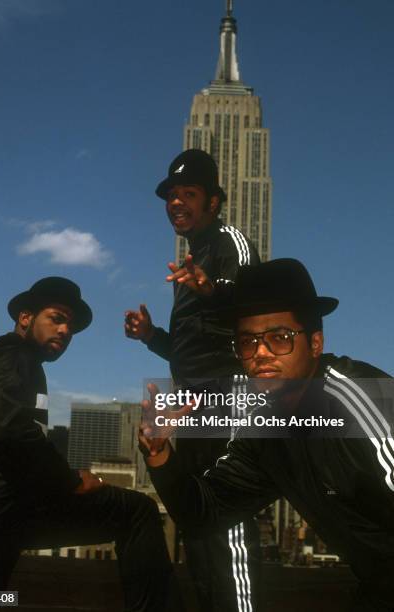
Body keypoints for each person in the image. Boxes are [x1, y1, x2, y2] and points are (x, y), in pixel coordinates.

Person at [140, 258, 394, 612]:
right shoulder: (265, 430)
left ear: (315, 343)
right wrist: (158, 453)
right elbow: (203, 514)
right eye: (247, 342)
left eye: (279, 338)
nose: (260, 353)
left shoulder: (364, 400)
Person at [0, 277, 182, 612]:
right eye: (56, 319)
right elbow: (12, 431)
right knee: (138, 511)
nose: (64, 331)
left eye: (70, 326)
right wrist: (72, 481)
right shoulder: (11, 355)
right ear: (26, 318)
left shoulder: (14, 360)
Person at [125, 149, 262, 612]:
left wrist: (212, 289)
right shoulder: (192, 260)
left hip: (231, 398)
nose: (177, 203)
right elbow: (193, 349)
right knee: (198, 518)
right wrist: (150, 337)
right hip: (194, 403)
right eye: (171, 196)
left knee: (228, 516)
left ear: (213, 202)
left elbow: (252, 300)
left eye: (189, 194)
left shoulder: (230, 242)